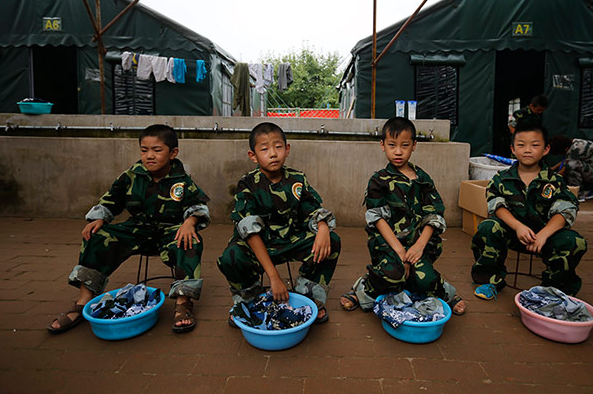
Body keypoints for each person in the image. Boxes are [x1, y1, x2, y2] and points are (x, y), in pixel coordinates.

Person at [47, 124, 210, 334]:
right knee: (98, 235)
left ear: (173, 153)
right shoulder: (132, 176)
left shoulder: (182, 180)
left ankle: (183, 303)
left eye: (157, 150)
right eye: (144, 150)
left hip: (171, 231)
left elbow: (198, 206)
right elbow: (110, 200)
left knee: (190, 240)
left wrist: (190, 222)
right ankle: (83, 302)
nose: (149, 156)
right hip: (137, 230)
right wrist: (99, 218)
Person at [340, 117, 466, 315]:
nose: (398, 151)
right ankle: (362, 288)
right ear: (382, 145)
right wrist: (399, 250)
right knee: (393, 276)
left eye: (404, 145)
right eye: (392, 145)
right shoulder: (378, 180)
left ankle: (446, 291)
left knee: (424, 281)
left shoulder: (423, 179)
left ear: (414, 146)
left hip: (418, 245)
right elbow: (377, 218)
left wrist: (418, 246)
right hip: (389, 245)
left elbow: (433, 216)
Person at [217, 122, 340, 323]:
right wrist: (274, 277)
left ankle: (308, 296)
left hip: (290, 240)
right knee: (231, 256)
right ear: (253, 156)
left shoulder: (297, 179)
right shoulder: (247, 183)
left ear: (287, 149)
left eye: (278, 147)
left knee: (331, 241)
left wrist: (323, 227)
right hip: (260, 245)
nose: (273, 154)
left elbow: (312, 210)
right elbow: (250, 231)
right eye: (264, 149)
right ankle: (248, 301)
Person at [471, 124, 587, 300]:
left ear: (546, 149)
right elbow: (496, 206)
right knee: (488, 227)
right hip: (512, 233)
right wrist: (518, 227)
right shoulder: (502, 179)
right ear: (513, 149)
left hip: (545, 237)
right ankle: (490, 280)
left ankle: (553, 289)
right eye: (521, 145)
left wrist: (543, 235)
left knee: (574, 241)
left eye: (534, 145)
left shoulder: (554, 181)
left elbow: (566, 210)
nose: (527, 150)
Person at [549, 135, 593, 201]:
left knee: (572, 166)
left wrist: (550, 180)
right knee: (572, 165)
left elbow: (563, 170)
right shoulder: (575, 143)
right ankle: (590, 189)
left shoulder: (575, 149)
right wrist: (553, 168)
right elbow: (565, 161)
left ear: (565, 149)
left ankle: (577, 193)